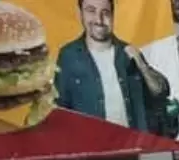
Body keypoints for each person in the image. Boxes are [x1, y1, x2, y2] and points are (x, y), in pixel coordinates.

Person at [54, 0, 172, 133]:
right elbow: (59, 110)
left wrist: (141, 64)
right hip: (92, 149)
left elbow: (160, 92)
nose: (99, 19)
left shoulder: (128, 53)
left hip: (133, 147)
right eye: (91, 11)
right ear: (80, 13)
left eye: (105, 12)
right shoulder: (68, 55)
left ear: (113, 15)